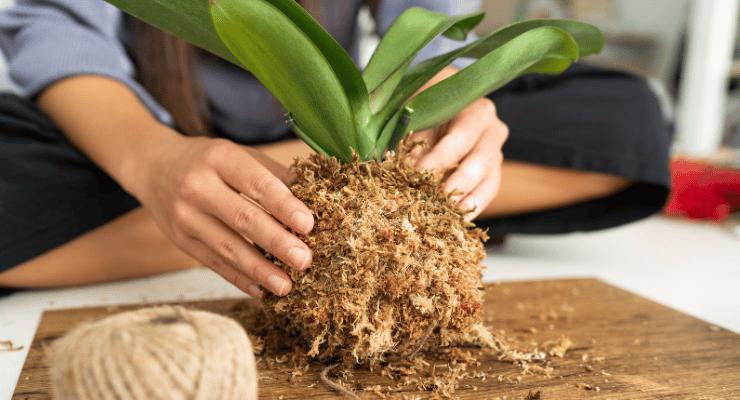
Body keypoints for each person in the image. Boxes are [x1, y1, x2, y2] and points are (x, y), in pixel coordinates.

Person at [0, 1, 670, 297]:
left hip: (341, 134)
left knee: (626, 115)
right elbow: (57, 28)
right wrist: (153, 162)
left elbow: (435, 34)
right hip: (143, 141)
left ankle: (315, 201)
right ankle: (350, 213)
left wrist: (454, 112)